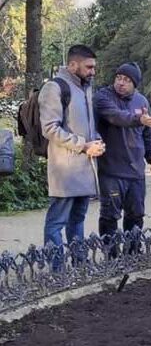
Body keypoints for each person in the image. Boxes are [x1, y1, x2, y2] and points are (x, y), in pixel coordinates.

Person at [39, 44, 105, 250]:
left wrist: (97, 141)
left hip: (85, 167)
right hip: (65, 170)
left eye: (94, 67)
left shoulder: (85, 88)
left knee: (77, 220)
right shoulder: (55, 87)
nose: (93, 72)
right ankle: (57, 271)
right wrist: (84, 146)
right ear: (72, 65)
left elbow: (87, 124)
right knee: (56, 222)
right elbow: (50, 129)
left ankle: (79, 266)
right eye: (89, 67)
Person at [94, 62, 151, 253]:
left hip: (135, 172)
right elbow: (117, 116)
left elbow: (148, 134)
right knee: (110, 215)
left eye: (126, 80)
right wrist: (138, 119)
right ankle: (111, 255)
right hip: (111, 171)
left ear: (135, 84)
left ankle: (132, 252)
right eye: (119, 78)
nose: (121, 83)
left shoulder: (142, 102)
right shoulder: (103, 97)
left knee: (136, 214)